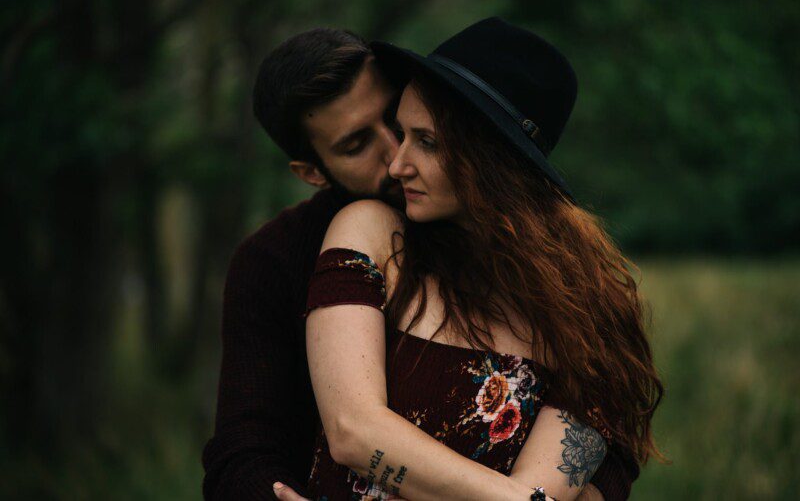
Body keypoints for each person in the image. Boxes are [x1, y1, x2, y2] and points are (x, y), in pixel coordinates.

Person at [202, 25, 638, 501]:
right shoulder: (285, 258)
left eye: (407, 128)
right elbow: (248, 446)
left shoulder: (572, 288)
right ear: (313, 173)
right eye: (356, 145)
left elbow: (606, 441)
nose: (394, 158)